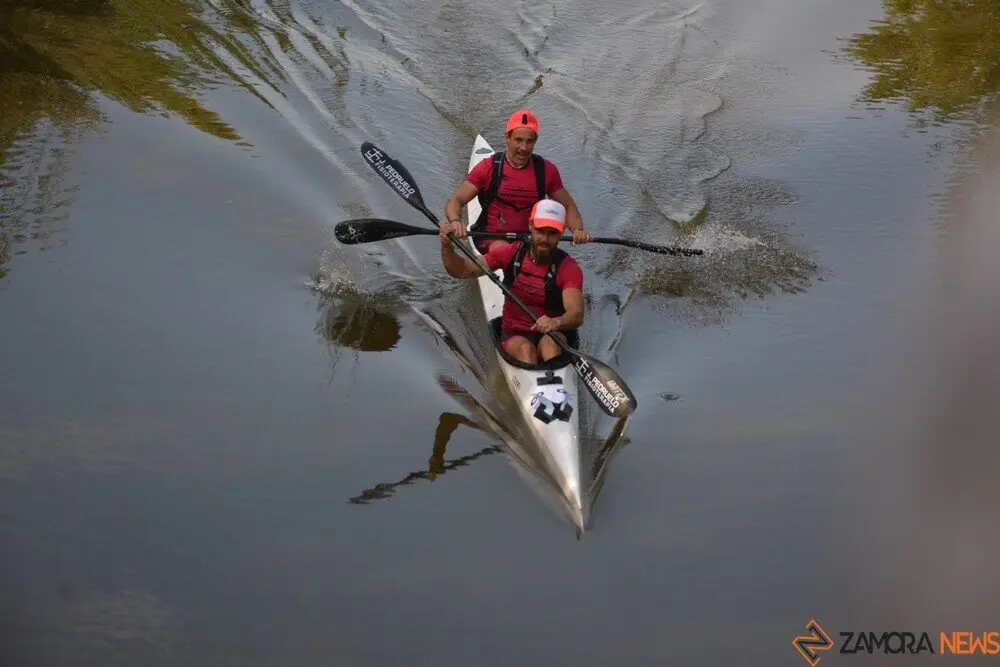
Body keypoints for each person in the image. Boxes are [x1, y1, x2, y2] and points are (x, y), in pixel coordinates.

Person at [440, 199, 584, 365]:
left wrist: (556, 321)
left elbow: (576, 314)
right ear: (530, 226)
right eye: (540, 231)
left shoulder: (569, 268)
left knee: (551, 345)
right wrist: (447, 247)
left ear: (562, 232)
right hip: (515, 334)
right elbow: (462, 270)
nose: (544, 239)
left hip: (554, 332)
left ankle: (552, 381)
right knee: (526, 350)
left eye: (552, 233)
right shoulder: (509, 253)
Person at [440, 109, 594, 252]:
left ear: (536, 141)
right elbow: (456, 200)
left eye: (529, 141)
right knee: (505, 251)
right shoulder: (488, 168)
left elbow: (567, 205)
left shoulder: (546, 171)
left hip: (530, 239)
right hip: (491, 239)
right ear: (507, 138)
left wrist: (577, 230)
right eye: (518, 140)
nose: (524, 147)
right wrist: (455, 221)